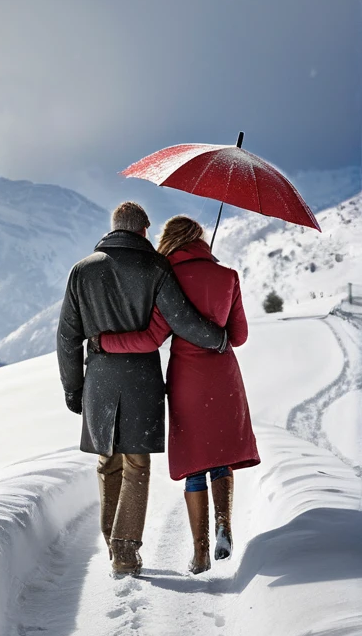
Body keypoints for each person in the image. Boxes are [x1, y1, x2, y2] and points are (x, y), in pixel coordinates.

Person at [57, 202, 228, 577]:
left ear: (114, 228)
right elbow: (182, 319)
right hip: (141, 384)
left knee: (107, 464)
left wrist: (73, 390)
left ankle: (113, 543)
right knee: (136, 465)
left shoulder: (81, 271)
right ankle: (125, 550)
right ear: (143, 231)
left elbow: (68, 337)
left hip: (98, 384)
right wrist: (217, 338)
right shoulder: (156, 268)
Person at [97, 215, 260, 574]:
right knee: (221, 456)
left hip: (187, 378)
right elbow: (239, 336)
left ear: (171, 240)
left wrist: (104, 341)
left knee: (194, 462)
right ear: (200, 240)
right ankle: (224, 525)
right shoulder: (227, 276)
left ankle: (201, 553)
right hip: (224, 375)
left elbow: (151, 338)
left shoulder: (166, 274)